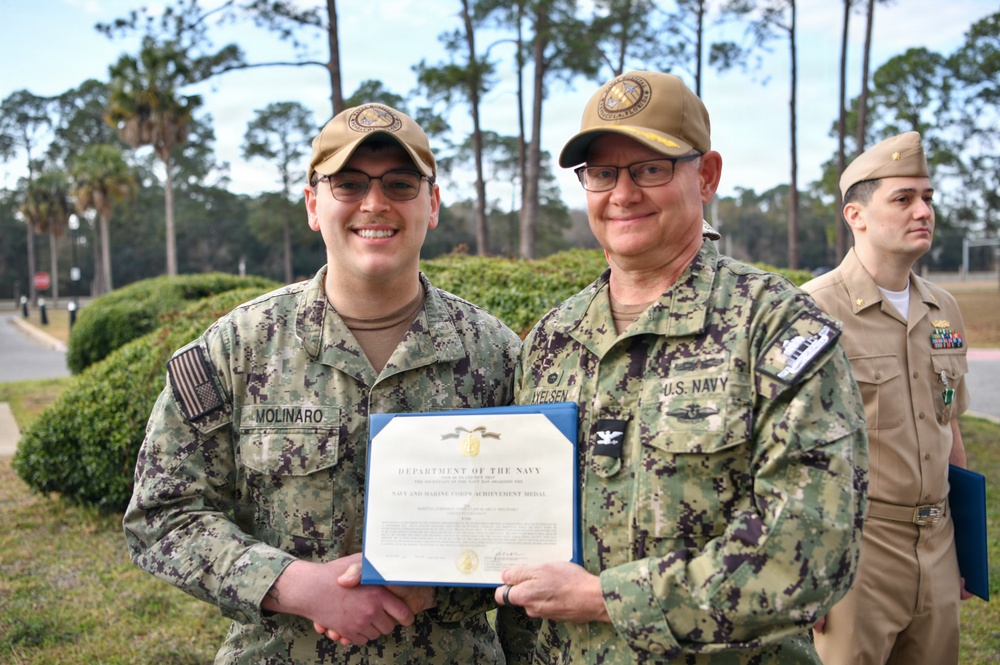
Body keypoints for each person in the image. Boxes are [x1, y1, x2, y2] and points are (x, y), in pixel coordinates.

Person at [123, 102, 525, 664]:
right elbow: (161, 515)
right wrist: (296, 586)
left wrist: (435, 586)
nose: (375, 203)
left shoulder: (499, 355)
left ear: (431, 204)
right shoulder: (238, 348)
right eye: (349, 184)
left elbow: (537, 533)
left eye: (400, 184)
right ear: (314, 204)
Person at [493, 70, 869, 663]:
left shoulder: (774, 327)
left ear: (708, 175)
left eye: (650, 168)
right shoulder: (550, 342)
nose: (623, 194)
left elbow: (810, 550)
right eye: (602, 173)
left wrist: (606, 599)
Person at [802, 131, 973, 664]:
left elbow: (951, 428)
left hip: (938, 542)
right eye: (903, 199)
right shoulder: (812, 311)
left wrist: (965, 544)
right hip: (858, 551)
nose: (922, 210)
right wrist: (806, 566)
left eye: (927, 198)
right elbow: (789, 450)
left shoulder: (942, 307)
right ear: (856, 215)